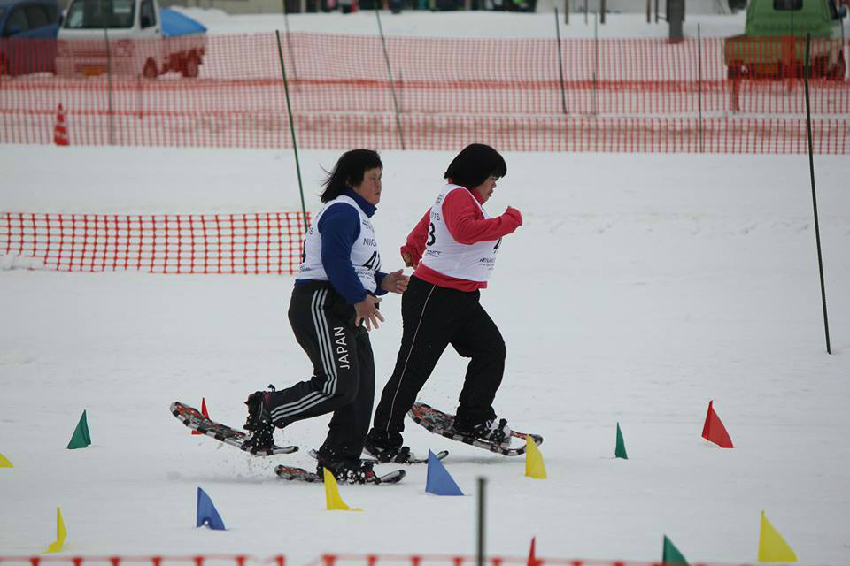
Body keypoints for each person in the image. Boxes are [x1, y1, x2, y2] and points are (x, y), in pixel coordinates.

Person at [242, 149, 409, 482]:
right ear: (351, 181)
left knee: (360, 387)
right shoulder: (343, 212)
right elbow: (334, 262)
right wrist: (360, 298)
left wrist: (383, 281)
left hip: (346, 307)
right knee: (338, 385)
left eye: (381, 178)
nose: (378, 185)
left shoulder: (360, 218)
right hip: (320, 304)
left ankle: (339, 457)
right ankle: (267, 408)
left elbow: (358, 267)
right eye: (371, 178)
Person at [364, 143, 522, 462]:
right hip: (435, 297)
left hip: (460, 297)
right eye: (492, 179)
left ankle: (474, 416)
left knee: (491, 349)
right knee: (412, 369)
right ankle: (382, 435)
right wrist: (507, 222)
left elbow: (430, 222)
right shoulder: (458, 195)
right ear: (477, 176)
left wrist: (413, 244)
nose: (494, 187)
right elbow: (463, 231)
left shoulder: (454, 195)